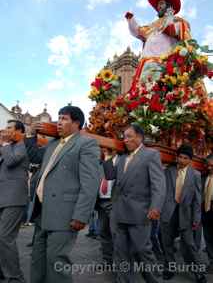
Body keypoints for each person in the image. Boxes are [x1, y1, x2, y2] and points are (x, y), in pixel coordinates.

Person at [30, 105, 102, 283]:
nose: (58, 122)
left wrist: (81, 215)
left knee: (56, 263)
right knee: (37, 261)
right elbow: (32, 156)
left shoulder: (86, 144)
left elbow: (90, 183)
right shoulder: (52, 144)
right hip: (42, 211)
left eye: (64, 118)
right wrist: (32, 135)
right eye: (58, 118)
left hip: (65, 214)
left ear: (76, 123)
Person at [112, 123, 166, 283]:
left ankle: (154, 280)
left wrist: (155, 207)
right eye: (124, 137)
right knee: (120, 253)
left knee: (143, 251)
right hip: (118, 213)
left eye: (129, 136)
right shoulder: (121, 158)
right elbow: (111, 179)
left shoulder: (151, 154)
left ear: (140, 137)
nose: (125, 140)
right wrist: (108, 155)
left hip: (140, 213)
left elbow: (159, 184)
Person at [125, 0, 191, 89]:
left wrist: (169, 19)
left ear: (169, 6)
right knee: (145, 89)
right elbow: (138, 31)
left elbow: (175, 31)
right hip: (148, 60)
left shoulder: (177, 20)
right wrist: (131, 20)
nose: (158, 6)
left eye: (161, 3)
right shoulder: (152, 25)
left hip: (166, 61)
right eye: (158, 5)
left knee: (161, 89)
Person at [160, 144, 207, 283]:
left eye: (185, 158)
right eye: (180, 157)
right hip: (168, 213)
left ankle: (198, 272)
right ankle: (170, 268)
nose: (181, 160)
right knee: (167, 244)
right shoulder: (169, 171)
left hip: (186, 215)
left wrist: (196, 219)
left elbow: (198, 200)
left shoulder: (196, 175)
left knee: (189, 245)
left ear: (190, 160)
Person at [0, 120, 28, 283]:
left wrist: (3, 144)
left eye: (9, 128)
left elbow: (11, 162)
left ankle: (15, 277)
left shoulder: (20, 145)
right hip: (3, 199)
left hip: (14, 199)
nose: (5, 130)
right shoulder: (8, 147)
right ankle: (4, 272)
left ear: (19, 131)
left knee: (5, 237)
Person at [202, 153, 213, 273]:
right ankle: (211, 262)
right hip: (206, 211)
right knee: (208, 238)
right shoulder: (203, 177)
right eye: (208, 165)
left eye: (212, 166)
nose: (209, 168)